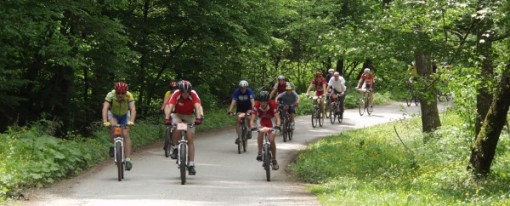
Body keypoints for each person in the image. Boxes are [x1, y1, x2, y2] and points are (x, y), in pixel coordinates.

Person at [163, 80, 204, 175]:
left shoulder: (193, 94)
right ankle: (175, 148)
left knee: (190, 139)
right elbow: (169, 106)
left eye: (187, 93)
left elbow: (198, 106)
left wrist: (199, 118)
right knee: (176, 127)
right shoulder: (176, 93)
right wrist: (167, 118)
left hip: (190, 115)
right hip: (178, 114)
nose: (185, 94)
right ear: (180, 91)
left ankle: (191, 164)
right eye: (183, 92)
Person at [102, 81, 137, 171]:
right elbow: (105, 108)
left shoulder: (129, 95)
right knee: (113, 127)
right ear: (115, 91)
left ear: (126, 92)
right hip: (113, 114)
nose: (120, 95)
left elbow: (133, 109)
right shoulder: (110, 95)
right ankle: (113, 145)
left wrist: (131, 121)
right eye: (118, 93)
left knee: (125, 134)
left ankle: (128, 159)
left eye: (123, 93)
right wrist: (105, 121)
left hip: (125, 115)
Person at [250, 91, 281, 170]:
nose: (262, 103)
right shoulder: (256, 105)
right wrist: (252, 126)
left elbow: (277, 118)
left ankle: (274, 159)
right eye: (261, 101)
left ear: (267, 101)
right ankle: (260, 152)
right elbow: (252, 119)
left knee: (271, 139)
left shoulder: (273, 105)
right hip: (262, 120)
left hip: (271, 120)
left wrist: (277, 126)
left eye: (264, 102)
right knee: (260, 132)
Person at [227, 80, 255, 144]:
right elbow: (233, 101)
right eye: (241, 88)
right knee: (238, 120)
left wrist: (253, 109)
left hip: (248, 107)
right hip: (240, 108)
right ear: (239, 87)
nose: (243, 89)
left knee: (248, 117)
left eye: (244, 88)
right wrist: (230, 110)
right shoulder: (237, 92)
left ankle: (249, 130)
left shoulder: (249, 91)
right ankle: (239, 136)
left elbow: (252, 101)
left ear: (246, 87)